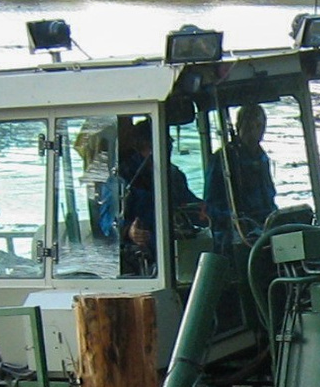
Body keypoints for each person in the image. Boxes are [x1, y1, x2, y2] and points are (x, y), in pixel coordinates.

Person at [113, 117, 204, 276]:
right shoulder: (122, 178)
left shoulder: (173, 175)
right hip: (141, 259)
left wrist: (206, 212)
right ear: (141, 148)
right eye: (156, 147)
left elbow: (191, 206)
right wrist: (129, 232)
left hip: (175, 248)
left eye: (168, 146)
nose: (165, 152)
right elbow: (107, 224)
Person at [203, 102, 279, 241]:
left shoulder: (262, 159)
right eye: (249, 127)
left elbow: (269, 198)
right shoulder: (222, 159)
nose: (254, 132)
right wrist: (234, 221)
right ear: (238, 127)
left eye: (259, 126)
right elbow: (211, 206)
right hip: (234, 234)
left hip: (264, 229)